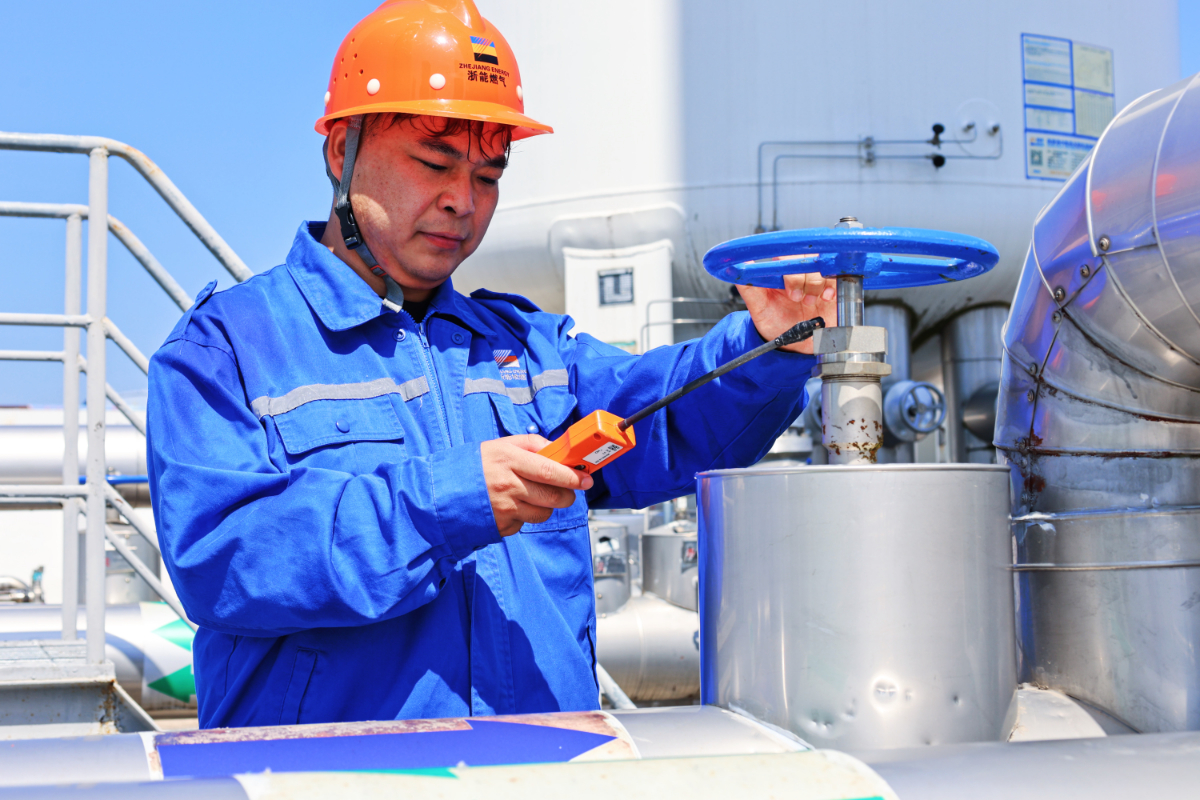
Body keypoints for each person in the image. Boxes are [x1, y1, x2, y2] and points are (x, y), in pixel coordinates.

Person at [146, 0, 837, 729]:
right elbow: (223, 560)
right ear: (341, 150)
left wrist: (768, 345)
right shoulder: (229, 348)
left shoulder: (528, 350)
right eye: (434, 163)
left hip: (542, 764)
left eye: (488, 175)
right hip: (332, 773)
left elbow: (664, 416)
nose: (462, 202)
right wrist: (454, 499)